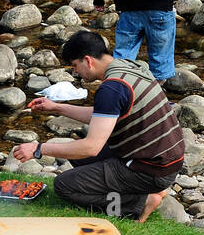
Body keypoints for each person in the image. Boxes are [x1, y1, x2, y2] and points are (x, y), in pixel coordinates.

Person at [12, 30, 183, 222]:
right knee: (76, 157)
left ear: (88, 60)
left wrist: (38, 149)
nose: (75, 72)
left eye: (75, 66)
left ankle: (140, 201)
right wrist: (57, 108)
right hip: (166, 159)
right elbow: (104, 116)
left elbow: (91, 147)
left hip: (151, 169)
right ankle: (143, 188)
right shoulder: (129, 66)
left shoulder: (111, 88)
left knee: (64, 185)